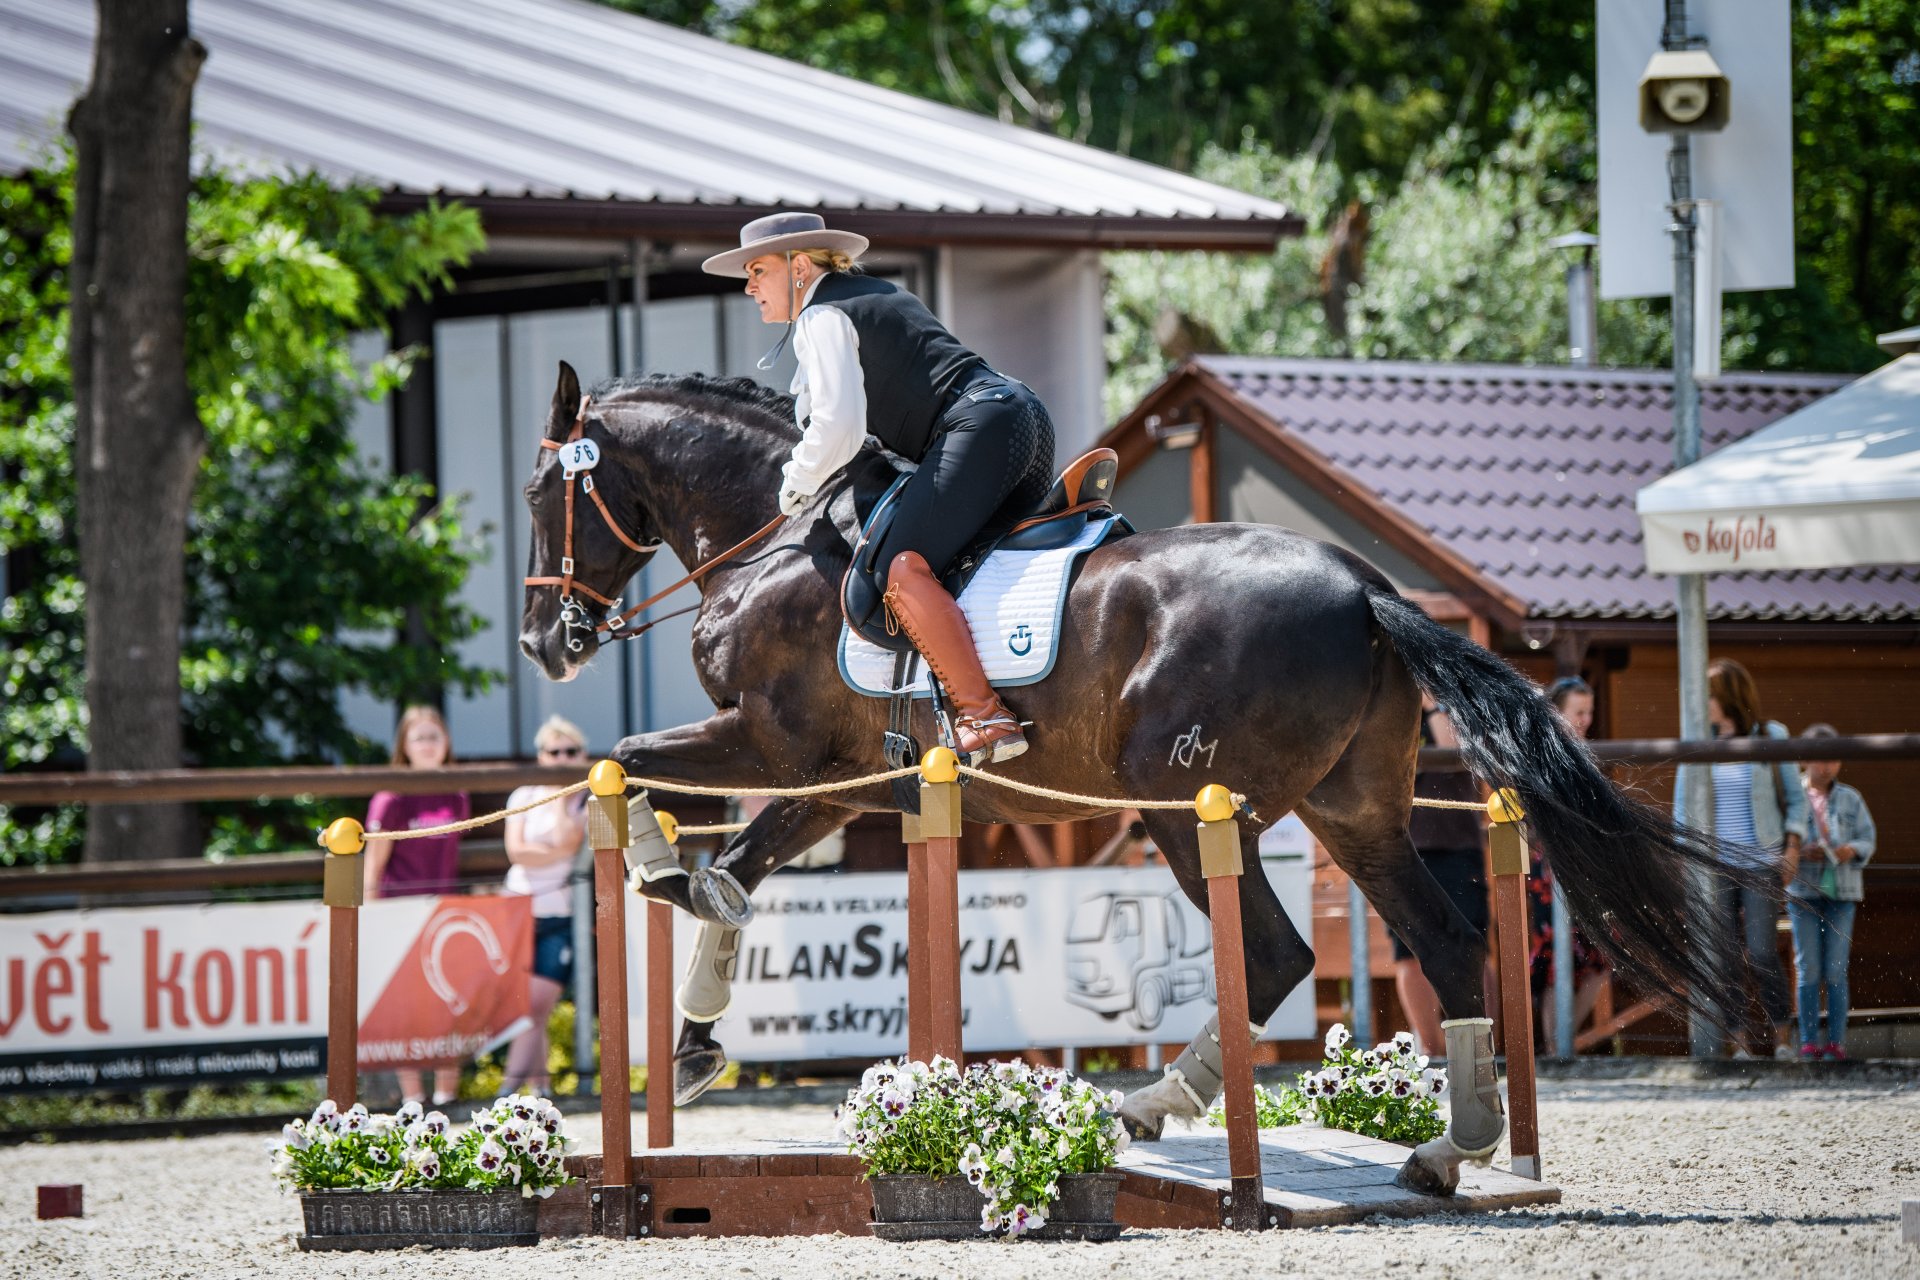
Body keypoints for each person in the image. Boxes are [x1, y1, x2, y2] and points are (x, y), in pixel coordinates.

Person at [703, 211, 1056, 766]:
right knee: (968, 563)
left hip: (978, 429)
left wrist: (794, 486)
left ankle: (983, 714)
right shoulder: (873, 294)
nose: (749, 286)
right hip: (1024, 419)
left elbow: (838, 427)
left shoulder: (822, 316)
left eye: (757, 270)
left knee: (902, 568)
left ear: (799, 268)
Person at [1693, 658, 1808, 1060]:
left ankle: (1782, 1039)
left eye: (1709, 693)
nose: (1702, 701)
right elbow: (1683, 805)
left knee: (1760, 951)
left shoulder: (1771, 735)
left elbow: (1797, 799)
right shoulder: (1698, 737)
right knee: (1724, 953)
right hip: (1716, 864)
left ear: (1728, 696)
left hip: (1761, 860)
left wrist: (1792, 846)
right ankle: (1739, 1042)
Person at [364, 705, 470, 1105]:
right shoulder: (391, 796)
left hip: (443, 913)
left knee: (448, 1007)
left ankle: (447, 1097)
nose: (428, 744)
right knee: (404, 1009)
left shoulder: (457, 792)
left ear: (447, 743)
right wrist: (370, 917)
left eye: (435, 736)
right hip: (397, 913)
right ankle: (413, 1100)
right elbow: (373, 865)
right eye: (420, 737)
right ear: (404, 746)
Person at [1392, 697, 1490, 1058]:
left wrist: (1431, 703)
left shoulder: (1457, 705)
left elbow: (1451, 751)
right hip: (1403, 848)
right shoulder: (1389, 705)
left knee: (1473, 947)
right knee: (1409, 952)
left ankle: (1479, 1048)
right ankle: (1430, 1049)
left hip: (1458, 848)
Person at [498, 716, 591, 1096]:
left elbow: (568, 845)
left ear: (583, 755)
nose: (563, 758)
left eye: (571, 751)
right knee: (524, 1008)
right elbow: (516, 851)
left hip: (560, 914)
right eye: (554, 752)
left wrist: (559, 799)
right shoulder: (521, 794)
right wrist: (549, 849)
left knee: (534, 1008)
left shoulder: (588, 798)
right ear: (541, 755)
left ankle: (505, 1093)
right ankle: (541, 1090)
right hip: (517, 909)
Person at [1528, 677, 1611, 1046]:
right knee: (1555, 960)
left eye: (1589, 712)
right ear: (1558, 713)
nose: (1586, 720)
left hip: (1586, 868)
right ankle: (1556, 1045)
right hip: (1548, 865)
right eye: (1578, 712)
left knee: (1599, 959)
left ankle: (1561, 1043)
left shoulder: (1583, 754)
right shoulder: (1539, 751)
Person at [1788, 723, 1876, 1060]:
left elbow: (1868, 839)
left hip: (1843, 890)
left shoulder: (1851, 797)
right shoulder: (1794, 795)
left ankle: (1836, 1043)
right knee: (1808, 967)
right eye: (1821, 759)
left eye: (1834, 759)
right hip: (1803, 888)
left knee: (1836, 969)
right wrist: (1799, 850)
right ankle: (1808, 1041)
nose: (1828, 766)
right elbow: (1780, 840)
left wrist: (1851, 849)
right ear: (1807, 759)